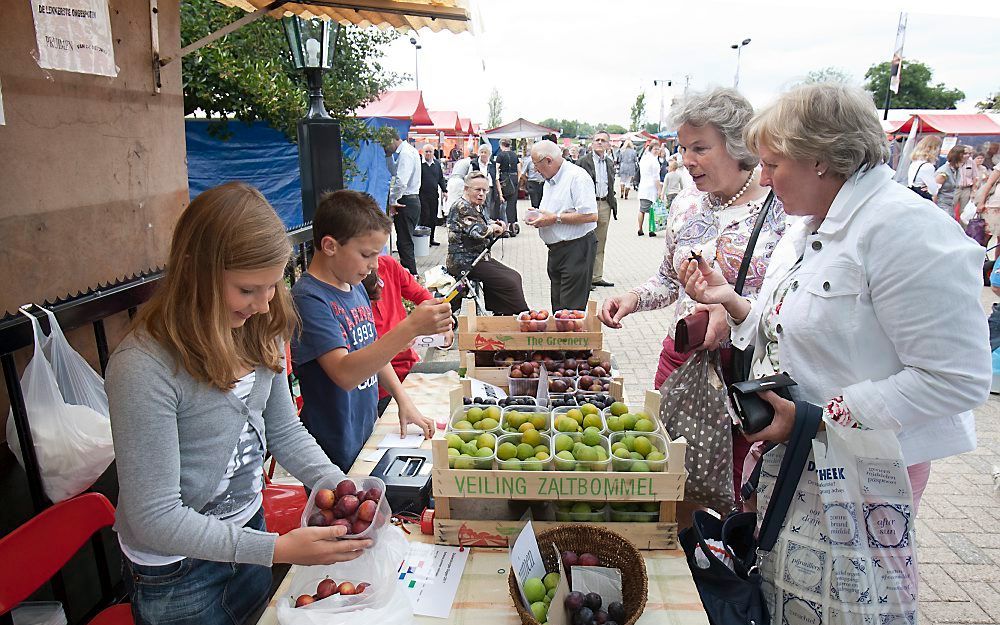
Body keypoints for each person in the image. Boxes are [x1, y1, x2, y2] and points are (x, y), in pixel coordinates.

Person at [679, 82, 989, 520]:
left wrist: (820, 420)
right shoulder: (808, 222)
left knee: (842, 588)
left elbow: (956, 378)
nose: (764, 179)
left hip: (866, 472)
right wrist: (731, 302)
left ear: (819, 159)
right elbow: (788, 323)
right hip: (798, 458)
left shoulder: (906, 230)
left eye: (772, 164)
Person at [106, 182, 374, 625]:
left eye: (273, 286)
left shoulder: (259, 327)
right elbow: (154, 516)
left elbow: (284, 431)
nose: (264, 303)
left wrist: (338, 485)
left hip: (249, 529)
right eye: (249, 289)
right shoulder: (142, 367)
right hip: (177, 573)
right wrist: (277, 550)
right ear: (196, 271)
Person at [598, 87, 784, 502]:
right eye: (683, 147)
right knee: (669, 464)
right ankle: (681, 546)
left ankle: (729, 555)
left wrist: (733, 310)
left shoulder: (781, 210)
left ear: (738, 145)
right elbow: (668, 280)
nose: (687, 160)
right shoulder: (685, 203)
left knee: (739, 481)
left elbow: (787, 302)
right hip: (681, 359)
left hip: (745, 372)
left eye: (700, 147)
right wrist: (632, 298)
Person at [291, 190, 451, 470]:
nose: (374, 265)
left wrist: (403, 400)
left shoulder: (353, 286)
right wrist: (410, 327)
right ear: (330, 246)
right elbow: (344, 373)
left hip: (363, 432)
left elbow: (372, 352)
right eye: (367, 254)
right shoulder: (308, 298)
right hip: (330, 449)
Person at [362, 255, 455, 417]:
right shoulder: (349, 287)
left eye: (376, 251)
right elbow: (367, 357)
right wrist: (401, 338)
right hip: (379, 388)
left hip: (410, 368)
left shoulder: (387, 265)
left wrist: (443, 322)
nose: (375, 263)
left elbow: (420, 294)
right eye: (367, 252)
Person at [527, 140, 599, 311]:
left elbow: (591, 215)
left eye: (537, 165)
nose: (536, 170)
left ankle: (570, 338)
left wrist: (555, 218)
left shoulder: (577, 177)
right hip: (557, 251)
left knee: (570, 310)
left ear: (549, 160)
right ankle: (562, 337)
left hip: (576, 249)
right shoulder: (550, 179)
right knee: (559, 308)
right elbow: (556, 210)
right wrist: (539, 215)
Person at [446, 171, 529, 315]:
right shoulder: (462, 207)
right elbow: (478, 231)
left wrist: (496, 224)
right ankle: (522, 315)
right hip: (464, 261)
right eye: (477, 190)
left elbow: (485, 222)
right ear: (466, 189)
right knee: (509, 281)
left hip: (479, 258)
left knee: (513, 276)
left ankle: (501, 313)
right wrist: (493, 228)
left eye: (485, 190)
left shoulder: (477, 206)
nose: (482, 194)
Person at [577, 129, 618, 288]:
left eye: (603, 140)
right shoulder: (583, 161)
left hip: (605, 205)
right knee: (585, 242)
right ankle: (583, 279)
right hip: (588, 206)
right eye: (597, 140)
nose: (599, 142)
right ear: (592, 143)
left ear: (608, 144)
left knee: (600, 242)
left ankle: (596, 276)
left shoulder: (609, 162)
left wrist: (611, 201)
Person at [382, 128, 422, 276]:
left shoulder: (406, 154)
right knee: (404, 241)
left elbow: (401, 181)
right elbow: (395, 172)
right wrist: (388, 156)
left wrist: (393, 200)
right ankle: (411, 276)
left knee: (404, 243)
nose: (385, 148)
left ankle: (411, 276)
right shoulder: (407, 152)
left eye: (385, 145)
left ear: (392, 139)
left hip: (406, 200)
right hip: (410, 200)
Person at [419, 143, 447, 247]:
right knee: (425, 217)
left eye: (430, 151)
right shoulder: (419, 164)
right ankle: (424, 240)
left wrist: (445, 190)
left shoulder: (436, 164)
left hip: (434, 195)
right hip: (422, 195)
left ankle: (431, 238)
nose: (428, 153)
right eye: (426, 151)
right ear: (423, 152)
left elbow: (440, 178)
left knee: (433, 217)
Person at [470, 143, 504, 222]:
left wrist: (500, 194)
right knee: (478, 206)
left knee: (489, 207)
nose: (483, 154)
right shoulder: (474, 164)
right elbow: (469, 177)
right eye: (481, 152)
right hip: (477, 189)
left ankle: (487, 222)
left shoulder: (492, 164)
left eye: (485, 152)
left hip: (490, 189)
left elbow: (496, 179)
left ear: (489, 154)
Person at [636, 141, 662, 236]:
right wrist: (659, 189)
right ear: (651, 149)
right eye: (655, 149)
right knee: (652, 210)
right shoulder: (654, 161)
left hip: (643, 187)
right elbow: (656, 178)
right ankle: (651, 230)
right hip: (651, 189)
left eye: (658, 149)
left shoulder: (644, 158)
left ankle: (640, 229)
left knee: (642, 210)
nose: (657, 151)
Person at [933, 144, 966, 217]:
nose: (968, 156)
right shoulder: (944, 172)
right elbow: (934, 192)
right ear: (959, 155)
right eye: (965, 154)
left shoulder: (957, 170)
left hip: (950, 206)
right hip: (941, 207)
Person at [495, 138, 521, 229]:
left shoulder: (500, 156)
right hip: (513, 179)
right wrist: (516, 181)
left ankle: (503, 222)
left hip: (503, 180)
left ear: (501, 145)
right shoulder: (515, 155)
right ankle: (512, 223)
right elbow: (519, 170)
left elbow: (496, 170)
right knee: (512, 203)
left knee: (502, 202)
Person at [977, 160, 1000, 259]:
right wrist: (981, 202)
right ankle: (978, 260)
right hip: (995, 205)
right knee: (986, 235)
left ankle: (996, 266)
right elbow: (989, 184)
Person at [446, 149, 471, 215]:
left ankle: (448, 214)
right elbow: (469, 177)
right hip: (459, 181)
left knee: (450, 199)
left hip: (451, 181)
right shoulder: (470, 163)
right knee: (458, 199)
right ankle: (456, 215)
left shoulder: (460, 161)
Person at [520, 144, 545, 209]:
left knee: (542, 202)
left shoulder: (543, 159)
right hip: (533, 183)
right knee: (535, 202)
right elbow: (522, 174)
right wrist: (527, 181)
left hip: (542, 183)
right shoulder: (528, 160)